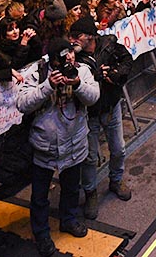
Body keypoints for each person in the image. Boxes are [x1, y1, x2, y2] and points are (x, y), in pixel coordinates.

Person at [14, 37, 100, 257]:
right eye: (63, 57)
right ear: (52, 60)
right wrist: (48, 86)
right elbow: (22, 104)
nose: (69, 58)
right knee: (40, 195)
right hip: (45, 145)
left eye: (70, 53)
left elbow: (94, 97)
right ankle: (41, 233)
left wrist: (77, 84)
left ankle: (68, 220)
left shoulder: (82, 70)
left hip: (75, 142)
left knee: (72, 188)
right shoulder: (37, 73)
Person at [72, 16, 134, 220]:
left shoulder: (110, 44)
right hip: (89, 114)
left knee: (118, 149)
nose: (73, 40)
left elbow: (127, 60)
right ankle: (90, 193)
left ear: (90, 36)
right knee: (89, 157)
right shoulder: (73, 57)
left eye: (77, 36)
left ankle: (116, 180)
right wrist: (95, 76)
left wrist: (117, 74)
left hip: (111, 106)